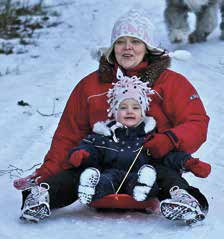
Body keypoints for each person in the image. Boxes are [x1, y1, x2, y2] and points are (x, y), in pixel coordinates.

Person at [13, 9, 211, 224]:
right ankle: (41, 197)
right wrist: (47, 172)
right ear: (112, 48)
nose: (127, 47)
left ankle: (184, 201)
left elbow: (196, 121)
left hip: (149, 163)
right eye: (120, 42)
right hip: (101, 165)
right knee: (74, 174)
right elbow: (68, 134)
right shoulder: (90, 85)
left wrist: (170, 139)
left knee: (165, 176)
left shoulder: (171, 82)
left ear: (147, 48)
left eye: (135, 41)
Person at [68, 70, 210, 207]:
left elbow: (168, 157)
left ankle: (161, 190)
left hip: (140, 174)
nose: (129, 111)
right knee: (104, 180)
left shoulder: (150, 137)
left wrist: (189, 162)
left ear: (142, 113)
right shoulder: (104, 135)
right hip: (111, 173)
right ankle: (90, 187)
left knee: (150, 177)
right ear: (114, 112)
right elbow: (90, 147)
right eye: (123, 107)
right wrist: (81, 154)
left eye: (135, 108)